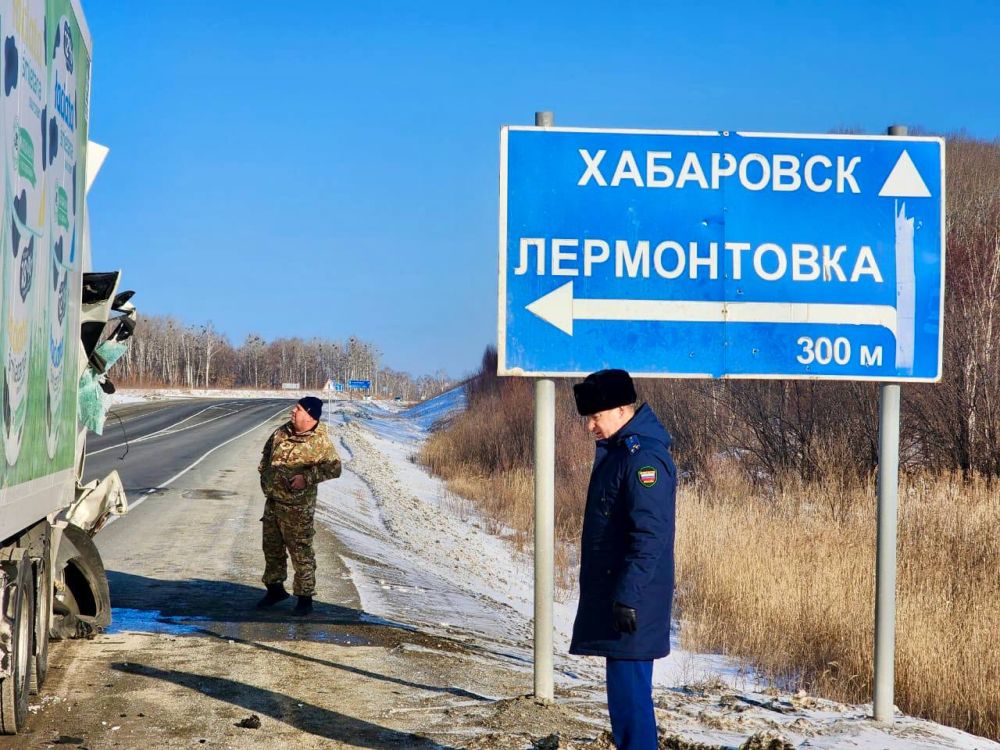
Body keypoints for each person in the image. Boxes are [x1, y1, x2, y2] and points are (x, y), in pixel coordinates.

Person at [570, 369, 677, 750]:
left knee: (631, 705)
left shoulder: (642, 459)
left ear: (619, 410)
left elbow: (650, 535)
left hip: (633, 603)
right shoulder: (621, 453)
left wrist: (628, 596)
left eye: (596, 417)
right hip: (623, 598)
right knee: (626, 704)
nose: (590, 426)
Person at [256, 396, 342, 616]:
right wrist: (266, 475)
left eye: (298, 409)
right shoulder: (281, 432)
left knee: (300, 552)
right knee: (271, 548)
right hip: (274, 502)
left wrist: (307, 477)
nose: (293, 412)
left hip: (298, 508)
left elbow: (334, 469)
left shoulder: (319, 442)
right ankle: (275, 590)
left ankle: (304, 599)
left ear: (310, 415)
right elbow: (267, 455)